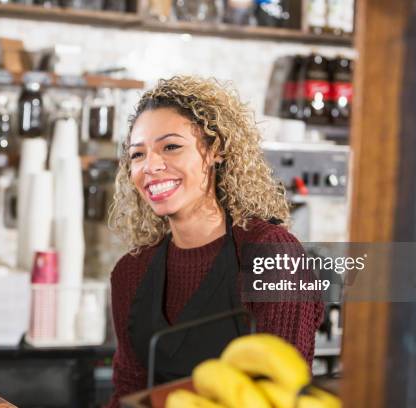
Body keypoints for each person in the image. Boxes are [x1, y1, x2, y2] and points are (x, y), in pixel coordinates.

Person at [106, 76, 324, 406]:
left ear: (215, 151)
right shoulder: (130, 273)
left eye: (171, 147)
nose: (150, 166)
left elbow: (283, 394)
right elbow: (128, 395)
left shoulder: (272, 254)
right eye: (137, 154)